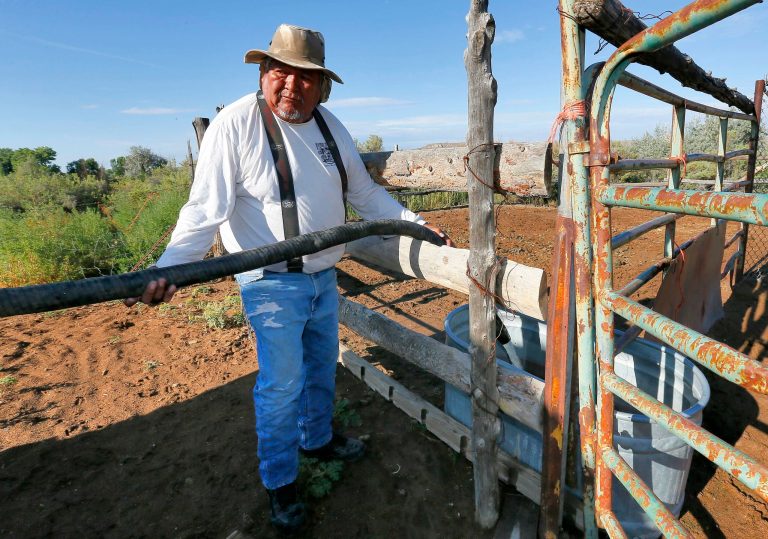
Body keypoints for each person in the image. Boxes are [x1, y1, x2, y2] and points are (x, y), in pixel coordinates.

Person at [125, 23, 453, 531]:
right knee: (281, 386)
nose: (291, 88)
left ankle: (317, 439)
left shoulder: (330, 126)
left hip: (323, 276)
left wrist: (414, 224)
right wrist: (170, 267)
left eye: (305, 79)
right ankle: (280, 483)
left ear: (322, 86)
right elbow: (203, 209)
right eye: (281, 74)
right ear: (263, 73)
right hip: (269, 280)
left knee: (321, 367)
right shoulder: (234, 126)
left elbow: (364, 194)